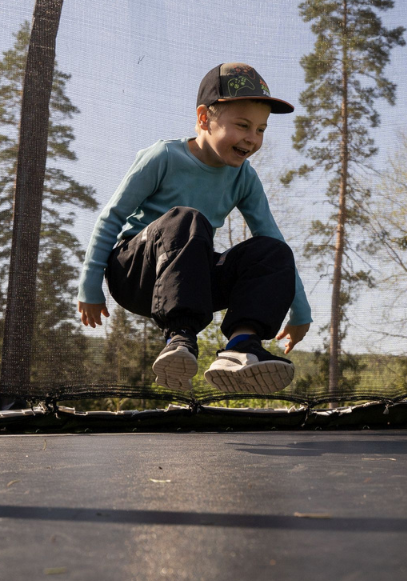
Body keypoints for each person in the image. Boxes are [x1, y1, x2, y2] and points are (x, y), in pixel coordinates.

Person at [76, 63, 312, 394]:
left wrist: (300, 310)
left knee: (271, 250)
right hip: (135, 272)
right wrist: (89, 284)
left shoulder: (244, 178)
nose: (252, 139)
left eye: (261, 129)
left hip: (190, 279)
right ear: (204, 119)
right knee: (187, 219)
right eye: (242, 125)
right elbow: (112, 216)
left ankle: (242, 345)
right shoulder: (163, 157)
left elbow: (271, 236)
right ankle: (179, 337)